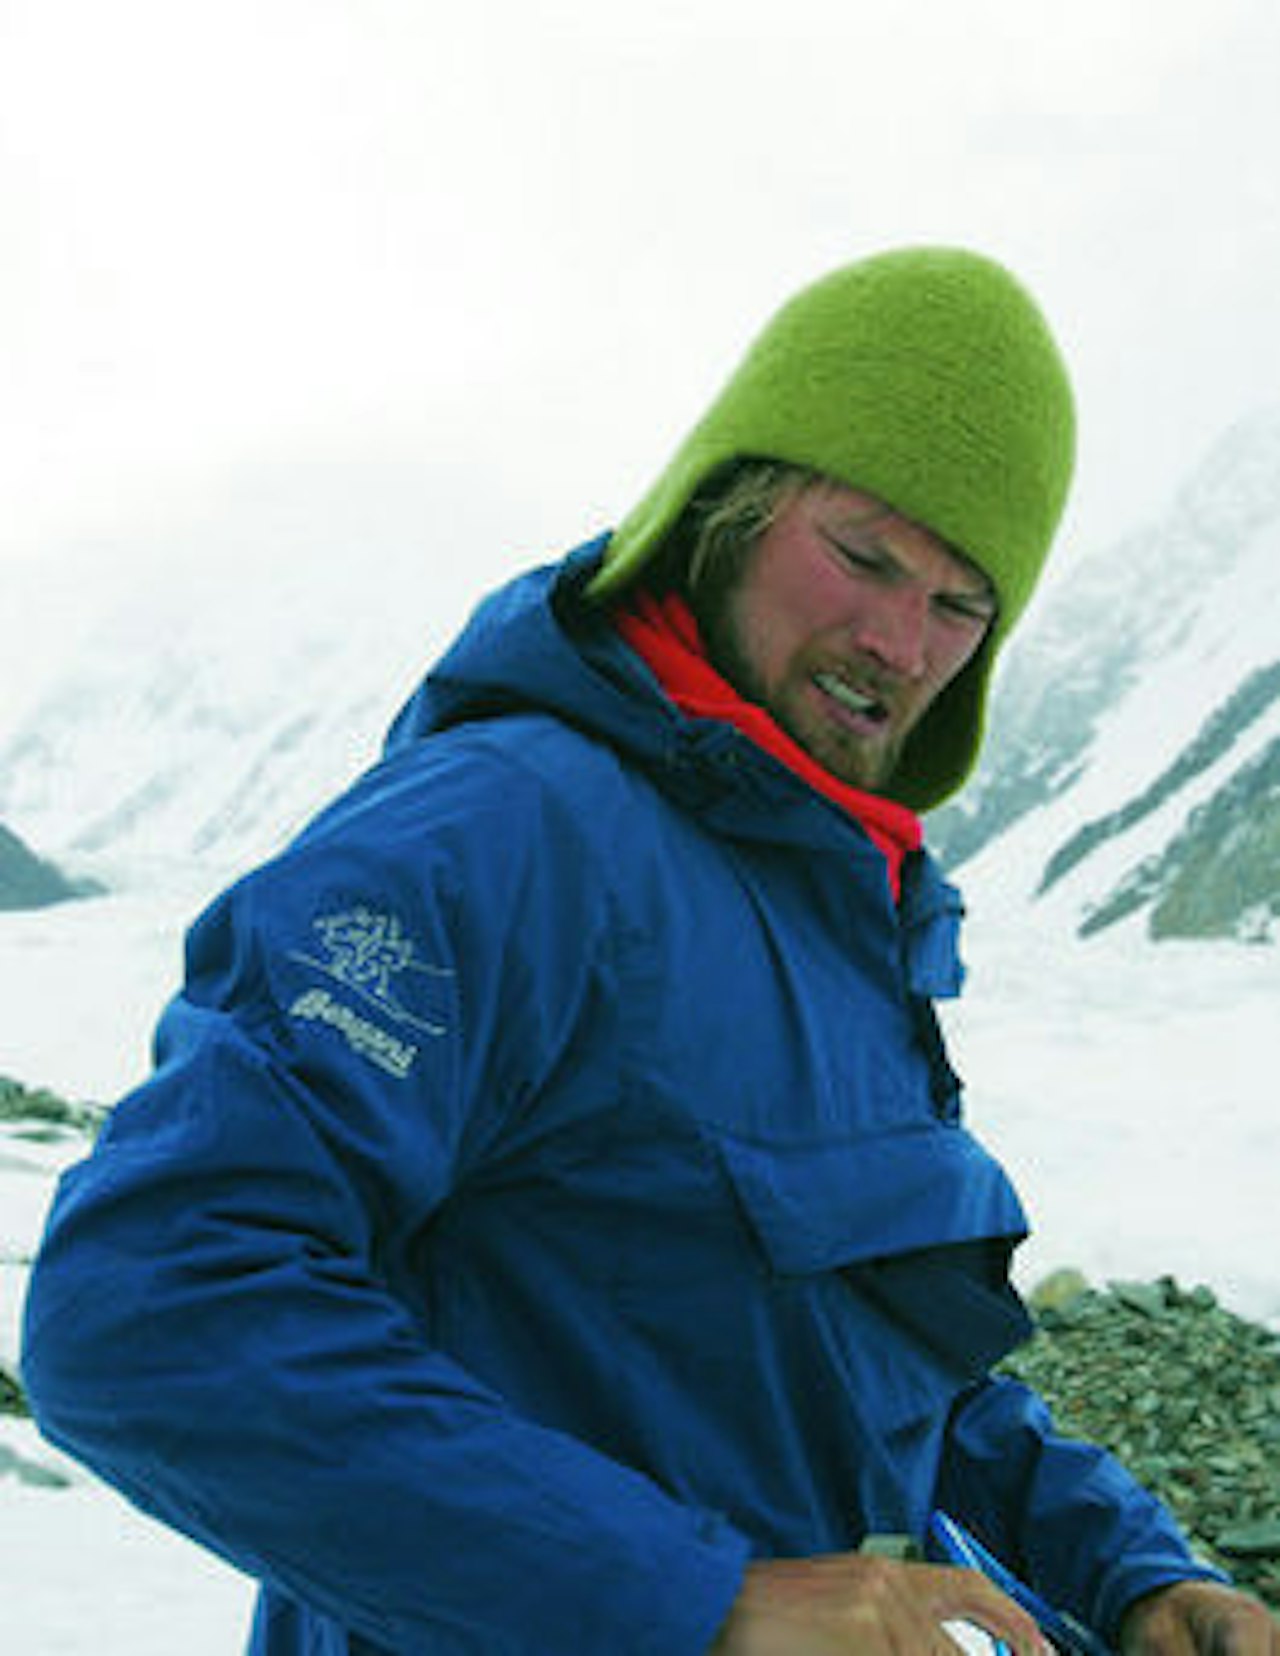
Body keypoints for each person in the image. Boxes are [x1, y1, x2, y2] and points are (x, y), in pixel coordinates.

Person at [21, 247, 1278, 1656]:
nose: (897, 640)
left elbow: (876, 1362)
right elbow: (146, 1304)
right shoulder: (504, 828)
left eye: (959, 605)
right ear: (725, 510)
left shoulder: (846, 904)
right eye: (862, 555)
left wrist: (1130, 1573)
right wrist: (698, 1601)